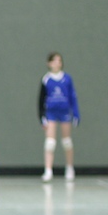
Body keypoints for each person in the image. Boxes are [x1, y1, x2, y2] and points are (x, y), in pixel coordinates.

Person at [39, 52, 80, 182]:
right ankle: (48, 170)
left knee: (66, 142)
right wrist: (42, 116)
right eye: (54, 60)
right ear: (49, 63)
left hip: (64, 112)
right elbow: (41, 99)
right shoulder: (46, 79)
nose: (57, 63)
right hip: (51, 113)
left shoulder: (67, 79)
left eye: (59, 61)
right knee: (50, 143)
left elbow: (73, 96)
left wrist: (76, 113)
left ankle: (69, 168)